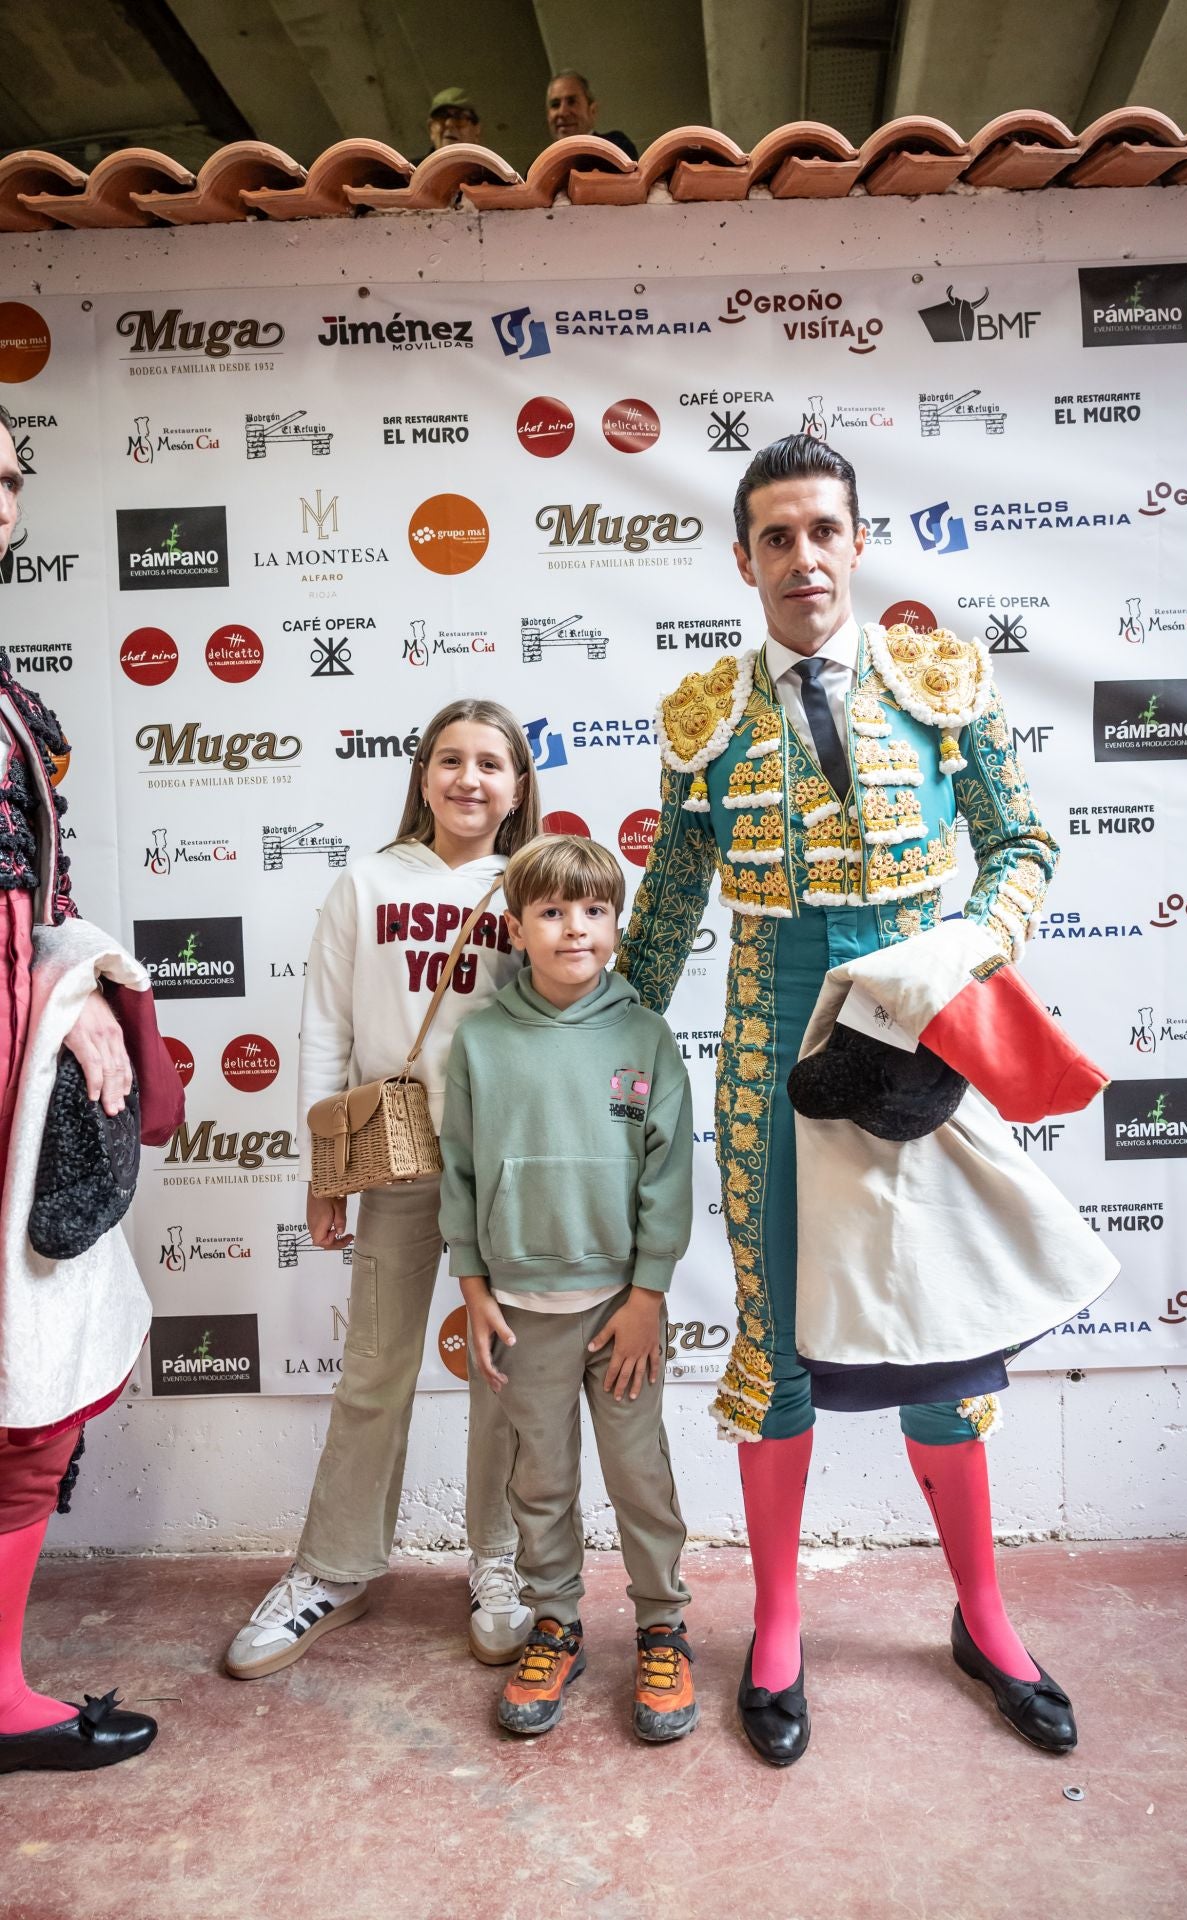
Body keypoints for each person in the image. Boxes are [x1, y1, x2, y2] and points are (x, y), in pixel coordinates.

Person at [617, 433, 1086, 1766]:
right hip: (771, 1050)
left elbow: (1023, 845)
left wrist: (966, 950)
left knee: (945, 1330)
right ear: (744, 557)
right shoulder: (706, 713)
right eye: (777, 536)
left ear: (857, 541)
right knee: (777, 1347)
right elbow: (666, 909)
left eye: (824, 530)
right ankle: (777, 1627)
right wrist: (585, 1027)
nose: (803, 557)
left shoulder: (939, 679)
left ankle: (985, 1616)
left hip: (919, 1032)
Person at [224, 700, 542, 1680]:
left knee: (507, 1372)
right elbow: (323, 1026)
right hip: (394, 1154)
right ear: (420, 774)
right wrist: (322, 1172)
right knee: (373, 1366)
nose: (468, 780)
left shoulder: (529, 885)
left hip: (506, 1161)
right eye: (449, 760)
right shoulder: (364, 884)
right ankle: (333, 1566)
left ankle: (500, 1561)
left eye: (490, 763)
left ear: (518, 786)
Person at [441, 835, 697, 1742]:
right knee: (539, 1480)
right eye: (550, 912)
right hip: (518, 1314)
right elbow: (461, 1172)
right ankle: (555, 1621)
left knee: (638, 1472)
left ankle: (663, 1625)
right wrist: (472, 1285)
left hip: (619, 1310)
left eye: (592, 912)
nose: (573, 929)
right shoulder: (480, 1040)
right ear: (517, 928)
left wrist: (647, 1297)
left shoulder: (645, 1036)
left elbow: (667, 1177)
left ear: (616, 928)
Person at [0, 401, 161, 1774]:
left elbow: (40, 890)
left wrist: (82, 992)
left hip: (18, 1053)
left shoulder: (12, 691)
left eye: (3, 483)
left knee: (30, 1381)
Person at [544, 70, 638, 160]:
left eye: (572, 102)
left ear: (592, 110)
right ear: (548, 116)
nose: (562, 112)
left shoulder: (617, 146)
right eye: (555, 104)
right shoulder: (536, 168)